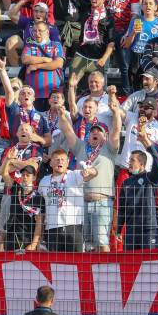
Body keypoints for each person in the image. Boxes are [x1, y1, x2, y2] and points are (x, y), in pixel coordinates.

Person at [57, 94, 121, 252]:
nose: (95, 133)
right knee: (86, 243)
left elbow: (117, 130)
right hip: (82, 202)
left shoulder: (110, 149)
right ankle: (88, 276)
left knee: (102, 241)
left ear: (105, 136)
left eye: (99, 131)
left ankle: (106, 274)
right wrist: (62, 115)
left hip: (102, 202)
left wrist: (116, 113)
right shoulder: (81, 147)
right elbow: (68, 132)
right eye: (93, 131)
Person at [37, 149, 99, 252]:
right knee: (54, 263)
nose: (60, 162)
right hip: (52, 228)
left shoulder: (74, 175)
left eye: (62, 159)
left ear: (67, 162)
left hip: (73, 227)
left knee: (76, 262)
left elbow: (95, 173)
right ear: (51, 162)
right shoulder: (44, 181)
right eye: (56, 159)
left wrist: (89, 171)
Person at [113, 149, 158, 251]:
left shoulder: (150, 177)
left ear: (142, 164)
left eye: (132, 160)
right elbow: (122, 209)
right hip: (131, 230)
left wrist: (150, 147)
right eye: (129, 160)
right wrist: (119, 230)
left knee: (150, 262)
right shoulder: (126, 182)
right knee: (130, 263)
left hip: (148, 229)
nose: (129, 163)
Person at [68, 0, 115, 90]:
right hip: (81, 54)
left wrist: (104, 59)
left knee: (99, 89)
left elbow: (111, 42)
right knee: (71, 84)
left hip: (98, 58)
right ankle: (71, 105)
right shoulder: (85, 7)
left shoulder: (109, 17)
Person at [0, 163, 44, 252]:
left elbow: (39, 223)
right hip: (11, 238)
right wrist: (8, 159)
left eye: (28, 175)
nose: (25, 177)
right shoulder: (16, 188)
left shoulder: (38, 198)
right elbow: (4, 174)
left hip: (27, 239)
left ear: (34, 178)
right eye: (23, 175)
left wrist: (34, 244)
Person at [21, 21, 65, 110]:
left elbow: (58, 63)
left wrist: (36, 66)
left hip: (54, 95)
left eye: (40, 31)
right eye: (34, 31)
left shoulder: (56, 45)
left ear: (47, 32)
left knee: (54, 120)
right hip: (33, 95)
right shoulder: (29, 46)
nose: (37, 33)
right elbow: (25, 59)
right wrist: (45, 59)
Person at [121, 0, 158, 88]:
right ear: (142, 7)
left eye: (151, 4)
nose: (148, 6)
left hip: (152, 56)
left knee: (152, 85)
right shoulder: (135, 20)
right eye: (145, 3)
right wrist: (133, 33)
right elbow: (126, 45)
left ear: (155, 7)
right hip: (137, 56)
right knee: (137, 85)